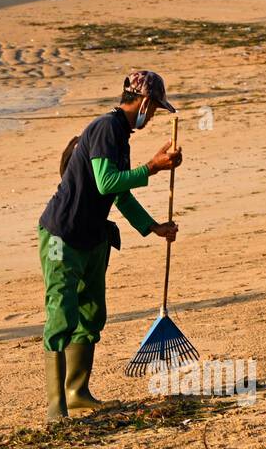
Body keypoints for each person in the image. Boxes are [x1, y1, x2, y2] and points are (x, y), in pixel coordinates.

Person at [37, 70, 183, 423]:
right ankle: (56, 405)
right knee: (62, 314)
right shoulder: (106, 128)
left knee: (91, 314)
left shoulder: (122, 137)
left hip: (92, 238)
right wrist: (153, 167)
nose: (153, 117)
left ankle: (78, 392)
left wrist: (152, 227)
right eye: (156, 109)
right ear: (145, 102)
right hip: (62, 236)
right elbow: (106, 183)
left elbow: (120, 194)